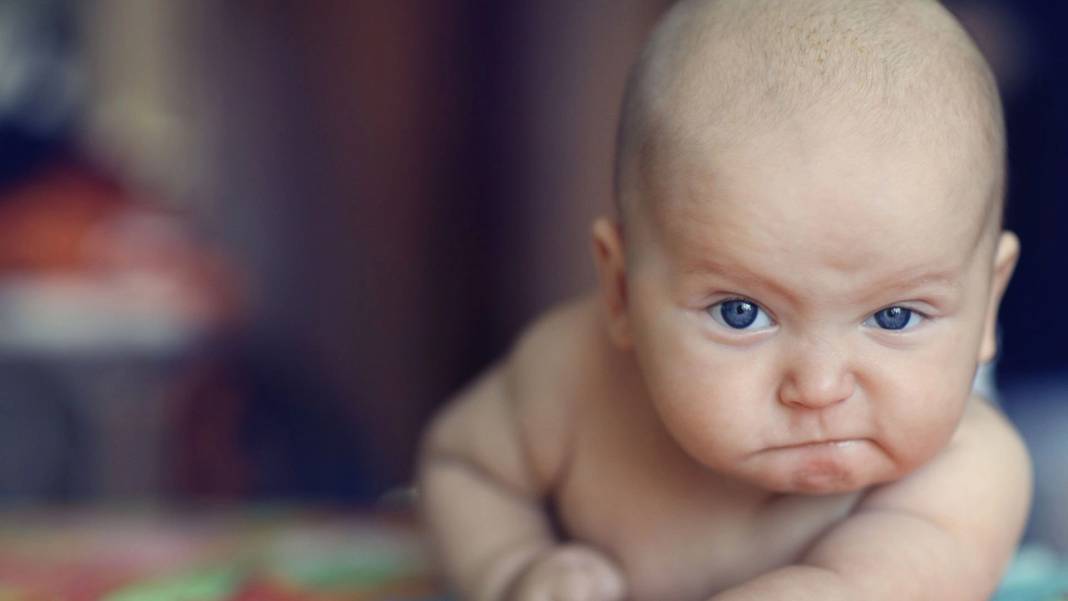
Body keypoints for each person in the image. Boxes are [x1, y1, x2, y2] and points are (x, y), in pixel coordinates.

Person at [417, 1, 1031, 599]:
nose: (818, 388)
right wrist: (513, 566)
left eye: (894, 316)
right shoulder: (574, 379)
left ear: (988, 301)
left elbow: (862, 587)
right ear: (622, 290)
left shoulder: (966, 471)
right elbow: (463, 467)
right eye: (742, 312)